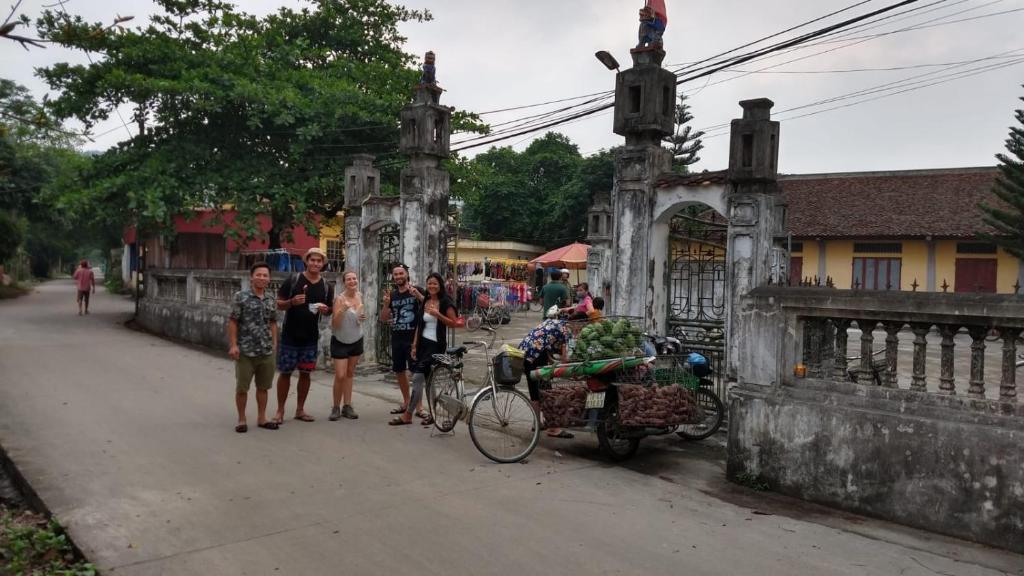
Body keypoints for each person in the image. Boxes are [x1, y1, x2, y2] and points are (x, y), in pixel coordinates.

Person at [272, 247, 334, 424]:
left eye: (319, 261)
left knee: (306, 374)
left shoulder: (326, 286)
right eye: (312, 260)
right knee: (285, 373)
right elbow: (279, 304)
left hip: (310, 337)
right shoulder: (294, 279)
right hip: (290, 335)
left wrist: (326, 310)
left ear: (323, 264)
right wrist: (291, 302)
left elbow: (329, 310)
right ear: (306, 261)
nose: (315, 263)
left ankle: (300, 410)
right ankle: (280, 411)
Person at [389, 272, 458, 426]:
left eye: (435, 283)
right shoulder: (426, 300)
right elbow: (420, 325)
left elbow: (454, 323)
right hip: (422, 345)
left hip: (435, 346)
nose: (432, 286)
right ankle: (433, 414)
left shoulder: (445, 302)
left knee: (417, 378)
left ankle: (408, 415)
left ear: (440, 285)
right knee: (428, 382)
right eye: (429, 284)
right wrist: (414, 345)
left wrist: (437, 314)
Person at [228, 262, 279, 433]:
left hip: (266, 351)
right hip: (245, 351)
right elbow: (233, 321)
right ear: (252, 277)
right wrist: (234, 345)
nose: (262, 278)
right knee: (242, 387)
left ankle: (262, 418)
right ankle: (242, 419)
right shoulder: (240, 297)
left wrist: (274, 344)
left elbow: (273, 322)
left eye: (265, 275)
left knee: (263, 387)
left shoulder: (271, 299)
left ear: (269, 279)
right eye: (259, 274)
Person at [380, 265, 427, 419]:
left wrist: (419, 296)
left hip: (414, 339)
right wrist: (386, 305)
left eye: (401, 273)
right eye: (395, 274)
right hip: (397, 338)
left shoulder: (416, 290)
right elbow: (383, 319)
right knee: (399, 371)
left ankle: (419, 407)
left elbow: (431, 308)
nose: (398, 276)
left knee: (416, 374)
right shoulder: (392, 295)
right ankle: (407, 401)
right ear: (393, 277)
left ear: (407, 274)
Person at [518, 311, 574, 439]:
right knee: (546, 391)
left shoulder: (553, 322)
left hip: (526, 352)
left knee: (534, 390)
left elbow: (545, 343)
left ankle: (537, 423)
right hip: (536, 355)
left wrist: (552, 361)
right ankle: (553, 428)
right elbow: (566, 358)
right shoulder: (566, 330)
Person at [329, 271, 365, 421]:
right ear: (344, 282)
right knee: (340, 374)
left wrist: (361, 317)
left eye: (354, 278)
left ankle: (347, 406)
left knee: (350, 373)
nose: (352, 281)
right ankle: (336, 407)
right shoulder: (339, 299)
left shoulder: (359, 296)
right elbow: (334, 324)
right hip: (340, 340)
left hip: (356, 339)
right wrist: (342, 310)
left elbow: (358, 318)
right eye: (349, 279)